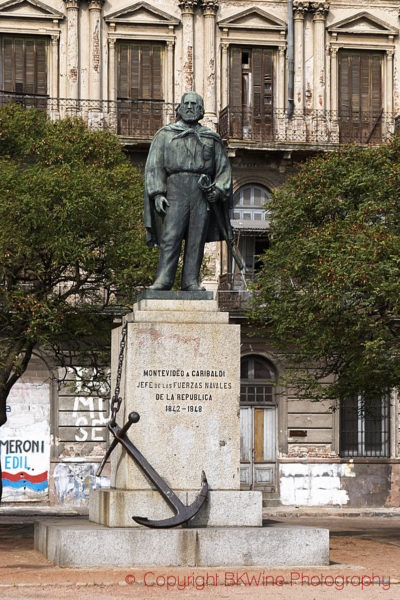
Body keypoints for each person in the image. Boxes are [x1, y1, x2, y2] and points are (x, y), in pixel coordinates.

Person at [144, 92, 233, 291]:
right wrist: (158, 193)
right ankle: (164, 280)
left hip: (200, 192)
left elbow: (223, 170)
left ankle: (191, 281)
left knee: (197, 238)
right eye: (187, 104)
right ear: (180, 108)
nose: (191, 107)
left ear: (202, 111)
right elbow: (154, 166)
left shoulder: (212, 138)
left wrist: (217, 191)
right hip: (176, 188)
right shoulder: (165, 135)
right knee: (171, 236)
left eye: (195, 104)